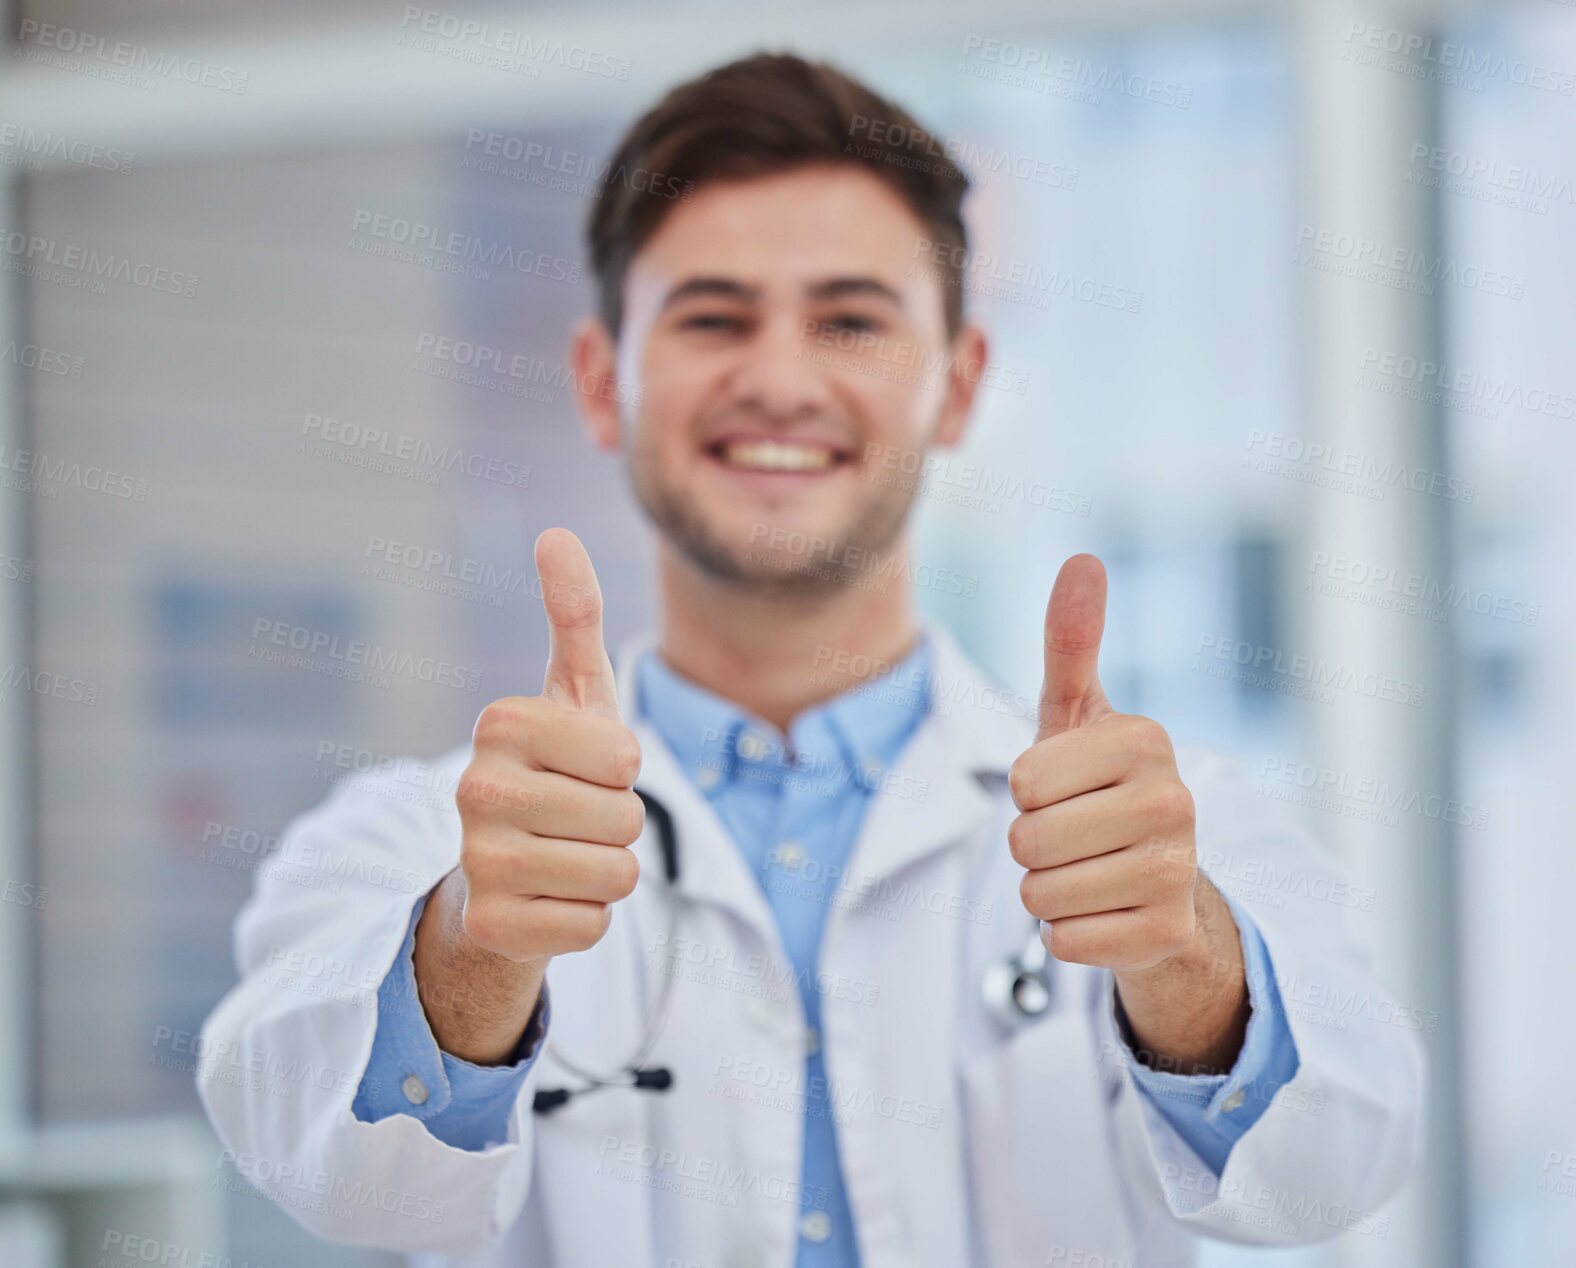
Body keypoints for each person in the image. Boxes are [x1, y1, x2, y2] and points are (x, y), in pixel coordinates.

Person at [198, 52, 1422, 1268]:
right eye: (712, 317)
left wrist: (1187, 964)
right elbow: (325, 1164)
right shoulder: (414, 850)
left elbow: (1346, 1162)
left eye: (851, 319)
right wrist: (470, 955)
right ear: (598, 381)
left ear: (958, 385)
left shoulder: (1175, 834)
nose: (778, 379)